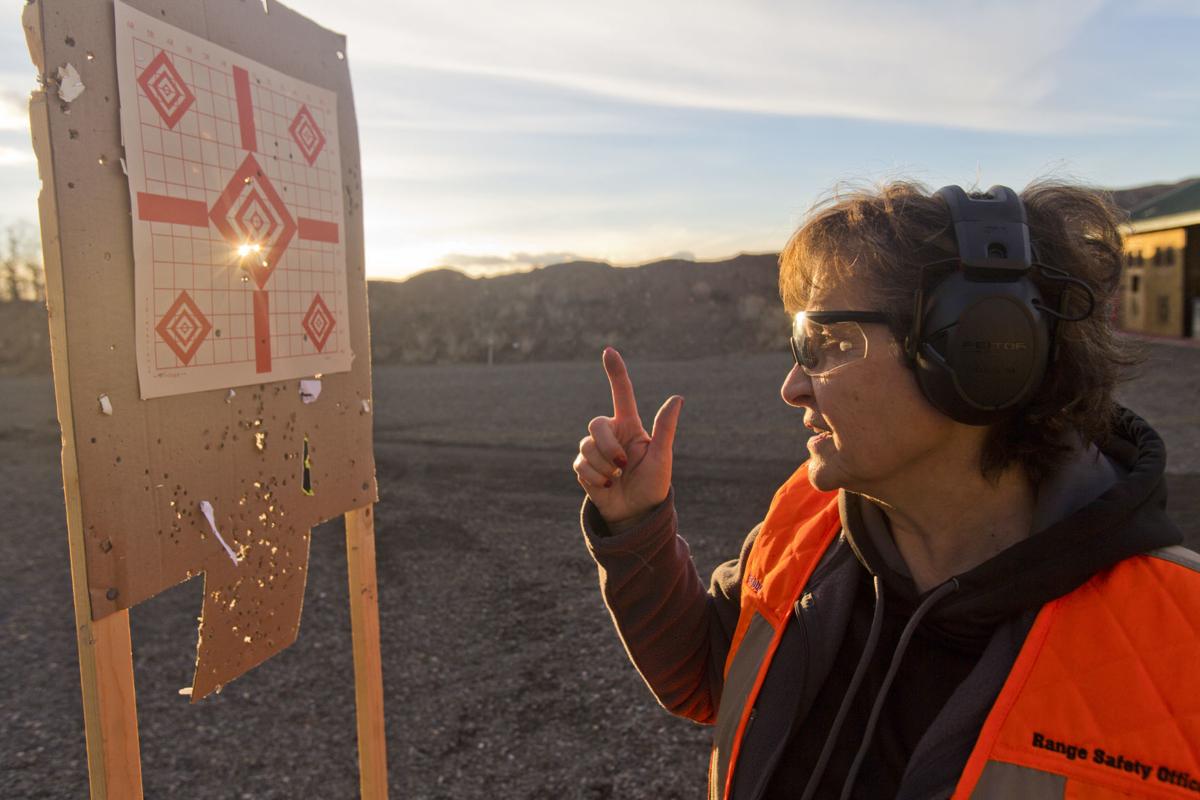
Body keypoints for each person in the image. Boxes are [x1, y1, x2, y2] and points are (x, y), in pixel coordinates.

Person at [572, 181, 1200, 799]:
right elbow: (710, 674)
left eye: (828, 343)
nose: (793, 386)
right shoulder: (807, 521)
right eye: (800, 343)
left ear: (981, 352)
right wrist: (639, 528)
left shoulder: (1179, 642)